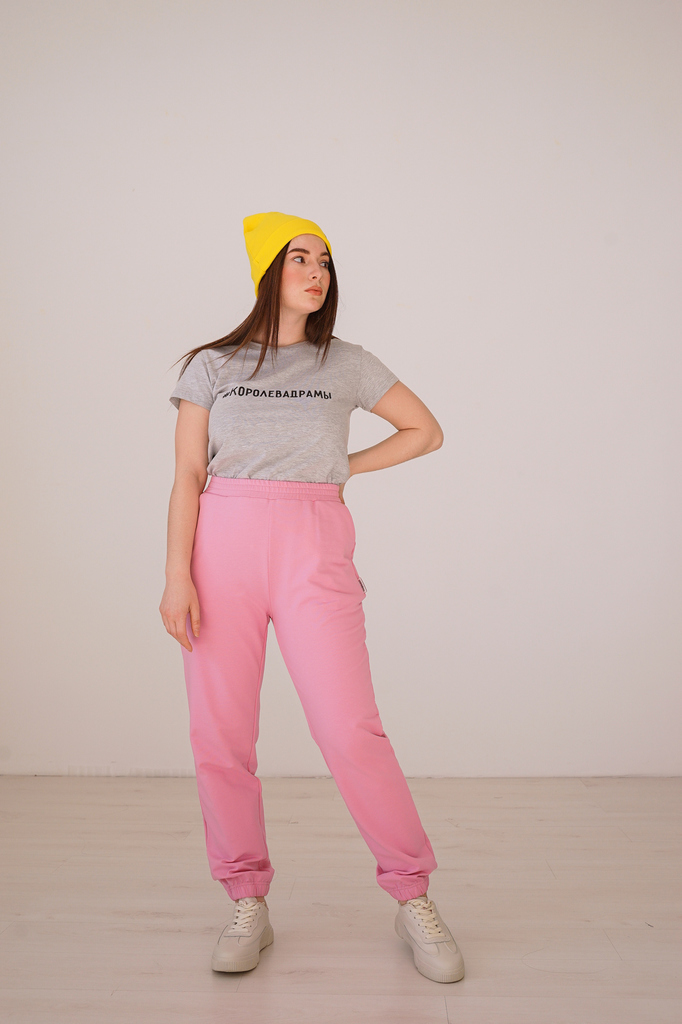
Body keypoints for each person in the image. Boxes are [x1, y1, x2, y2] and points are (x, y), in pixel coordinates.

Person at [159, 210, 465, 985]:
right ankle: (246, 900)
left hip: (314, 544)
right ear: (268, 270)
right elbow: (188, 475)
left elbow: (426, 432)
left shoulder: (348, 362)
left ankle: (413, 894)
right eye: (300, 258)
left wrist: (338, 466)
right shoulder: (212, 365)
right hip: (221, 546)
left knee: (350, 728)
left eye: (324, 261)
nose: (316, 272)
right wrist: (175, 576)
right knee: (220, 733)